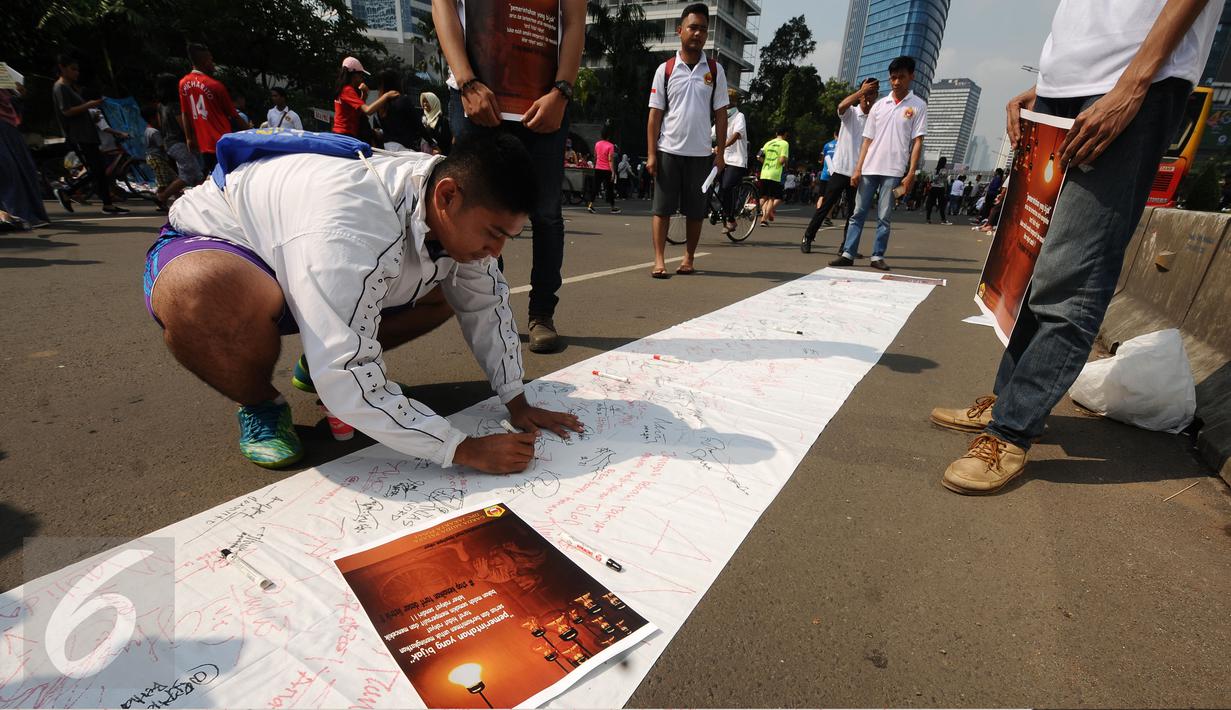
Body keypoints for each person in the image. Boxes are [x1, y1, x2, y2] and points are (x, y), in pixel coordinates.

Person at [145, 130, 583, 470]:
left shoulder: (449, 199)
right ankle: (260, 403)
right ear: (447, 196)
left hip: (317, 261)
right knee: (201, 292)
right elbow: (346, 375)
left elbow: (486, 303)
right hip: (228, 245)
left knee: (456, 284)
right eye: (492, 234)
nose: (496, 251)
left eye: (507, 237)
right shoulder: (349, 228)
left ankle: (309, 366)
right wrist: (462, 449)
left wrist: (516, 400)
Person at [930, 0, 1219, 495]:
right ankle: (1010, 401)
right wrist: (1051, 86)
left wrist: (1132, 85)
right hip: (1066, 88)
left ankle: (1012, 431)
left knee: (1074, 270)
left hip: (1138, 82)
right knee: (1035, 261)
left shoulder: (1138, 84)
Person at [434, 0, 585, 353]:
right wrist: (467, 81)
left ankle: (542, 314)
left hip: (544, 103)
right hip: (476, 99)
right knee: (476, 212)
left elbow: (575, 20)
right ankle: (491, 314)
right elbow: (442, 7)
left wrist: (562, 92)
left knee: (547, 214)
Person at [646, 3, 728, 279]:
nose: (698, 33)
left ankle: (688, 257)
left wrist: (720, 154)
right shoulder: (665, 69)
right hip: (668, 149)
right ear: (680, 31)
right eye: (693, 27)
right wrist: (651, 154)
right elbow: (654, 115)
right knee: (662, 209)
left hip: (701, 153)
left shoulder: (715, 71)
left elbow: (720, 115)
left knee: (695, 211)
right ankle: (659, 260)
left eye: (703, 29)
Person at [830, 56, 926, 271]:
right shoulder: (879, 105)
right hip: (869, 168)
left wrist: (911, 173)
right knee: (858, 212)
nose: (896, 82)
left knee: (884, 215)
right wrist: (857, 169)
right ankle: (848, 253)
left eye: (901, 77)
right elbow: (867, 140)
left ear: (911, 76)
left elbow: (917, 141)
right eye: (893, 78)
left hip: (893, 170)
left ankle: (877, 255)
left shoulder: (918, 106)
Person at [800, 78, 878, 253]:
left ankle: (847, 247)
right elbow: (841, 106)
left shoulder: (875, 118)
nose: (868, 96)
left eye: (872, 93)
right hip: (841, 169)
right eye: (866, 92)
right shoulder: (851, 112)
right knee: (826, 206)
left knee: (853, 212)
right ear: (859, 95)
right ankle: (808, 237)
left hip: (859, 173)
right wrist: (861, 92)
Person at [52, 54, 128, 214]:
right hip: (79, 135)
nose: (76, 73)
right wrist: (89, 105)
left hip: (87, 133)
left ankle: (105, 203)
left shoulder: (69, 87)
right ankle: (68, 191)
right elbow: (66, 111)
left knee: (98, 170)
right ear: (62, 68)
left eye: (77, 70)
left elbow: (77, 111)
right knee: (97, 169)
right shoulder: (60, 87)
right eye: (73, 69)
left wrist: (90, 114)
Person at [179, 43, 244, 175]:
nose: (213, 63)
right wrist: (254, 133)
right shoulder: (215, 86)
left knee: (215, 177)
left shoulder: (183, 83)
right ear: (204, 61)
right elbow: (234, 116)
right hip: (222, 141)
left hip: (204, 143)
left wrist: (189, 138)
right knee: (231, 178)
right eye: (211, 60)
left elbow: (185, 113)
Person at [0, 75, 50, 227]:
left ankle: (27, 214)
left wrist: (20, 94)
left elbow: (14, 104)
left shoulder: (2, 72)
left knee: (25, 170)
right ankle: (19, 215)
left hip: (8, 127)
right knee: (9, 171)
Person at [155, 72, 203, 204]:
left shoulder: (160, 106)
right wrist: (192, 139)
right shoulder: (175, 105)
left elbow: (160, 125)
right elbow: (183, 124)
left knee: (195, 173)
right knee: (189, 175)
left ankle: (202, 199)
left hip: (169, 143)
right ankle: (163, 196)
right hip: (180, 143)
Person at [332, 57, 399, 142]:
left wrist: (364, 94)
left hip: (341, 134)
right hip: (345, 135)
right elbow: (368, 110)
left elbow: (358, 112)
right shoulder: (348, 90)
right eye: (361, 75)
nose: (362, 78)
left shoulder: (344, 89)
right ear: (354, 75)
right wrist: (386, 96)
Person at [716, 88, 747, 232]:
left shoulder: (739, 116)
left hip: (736, 160)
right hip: (722, 158)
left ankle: (731, 219)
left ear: (732, 102)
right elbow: (710, 134)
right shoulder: (722, 117)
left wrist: (721, 147)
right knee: (705, 178)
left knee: (727, 186)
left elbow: (736, 135)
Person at [374, 70, 424, 152]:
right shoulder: (404, 100)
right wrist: (432, 143)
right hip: (404, 148)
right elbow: (418, 124)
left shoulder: (381, 105)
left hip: (387, 148)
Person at [141, 105, 174, 210]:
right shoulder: (155, 132)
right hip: (157, 158)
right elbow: (161, 146)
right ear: (153, 118)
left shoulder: (147, 130)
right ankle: (160, 200)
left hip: (152, 157)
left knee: (167, 179)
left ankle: (163, 200)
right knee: (163, 182)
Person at [756, 126, 790, 226]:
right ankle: (764, 219)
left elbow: (758, 156)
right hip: (774, 174)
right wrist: (783, 163)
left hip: (764, 172)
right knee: (771, 198)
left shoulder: (768, 143)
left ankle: (751, 210)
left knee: (763, 196)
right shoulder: (784, 144)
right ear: (785, 134)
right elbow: (782, 160)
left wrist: (765, 162)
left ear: (776, 134)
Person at [587, 124, 620, 214]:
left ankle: (590, 204)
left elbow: (595, 156)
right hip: (607, 170)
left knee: (595, 187)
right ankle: (613, 207)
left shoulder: (597, 144)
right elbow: (610, 159)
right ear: (609, 136)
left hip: (598, 168)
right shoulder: (610, 146)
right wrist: (613, 171)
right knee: (609, 189)